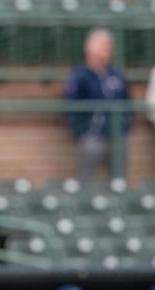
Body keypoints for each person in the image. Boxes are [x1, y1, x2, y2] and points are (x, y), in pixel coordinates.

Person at [64, 28, 133, 183]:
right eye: (103, 47)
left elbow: (127, 103)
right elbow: (71, 107)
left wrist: (124, 128)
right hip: (91, 138)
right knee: (86, 182)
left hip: (116, 137)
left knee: (119, 182)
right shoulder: (80, 75)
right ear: (90, 49)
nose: (107, 52)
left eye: (108, 48)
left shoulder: (116, 75)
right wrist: (81, 132)